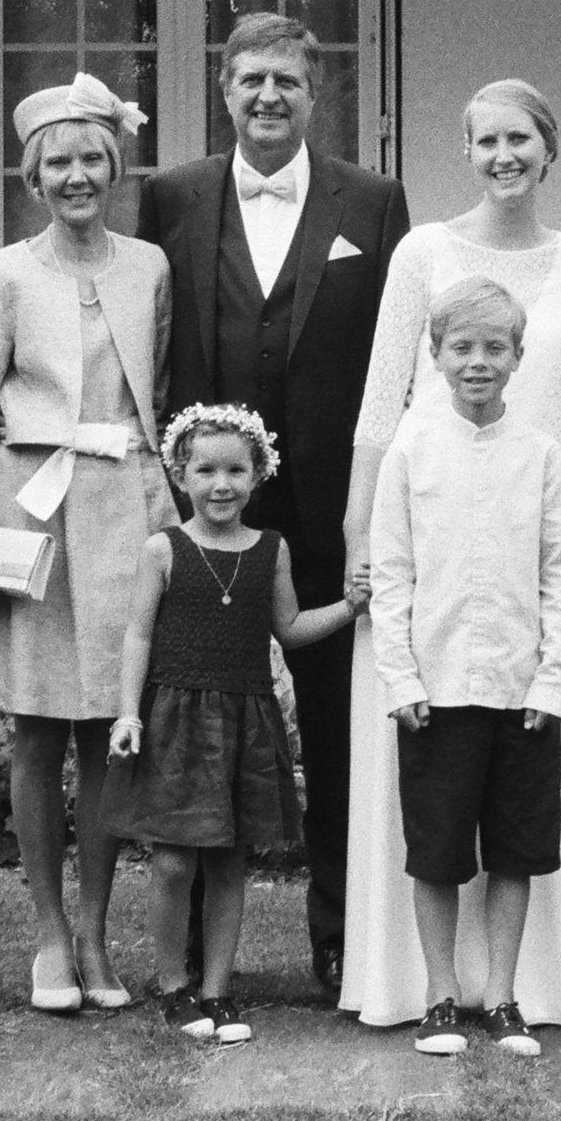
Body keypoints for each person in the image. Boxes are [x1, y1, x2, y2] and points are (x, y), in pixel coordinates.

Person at [342, 80, 561, 1030]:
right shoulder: (424, 250)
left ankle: (540, 979)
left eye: (520, 139)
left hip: (530, 515)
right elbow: (382, 394)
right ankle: (425, 983)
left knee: (527, 775)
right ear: (465, 149)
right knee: (431, 788)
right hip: (427, 528)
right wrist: (361, 533)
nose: (503, 156)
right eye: (486, 141)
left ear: (548, 148)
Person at [138, 13, 410, 991]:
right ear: (223, 88)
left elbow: (393, 356)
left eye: (286, 83)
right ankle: (206, 957)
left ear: (314, 92)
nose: (267, 97)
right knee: (205, 713)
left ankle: (339, 936)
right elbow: (155, 335)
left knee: (336, 723)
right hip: (210, 510)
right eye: (250, 80)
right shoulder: (169, 196)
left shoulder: (373, 204)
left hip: (331, 504)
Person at [0, 72, 175, 1012]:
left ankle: (94, 928)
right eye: (58, 164)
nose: (77, 176)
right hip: (28, 510)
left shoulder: (149, 265)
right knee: (39, 729)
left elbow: (160, 396)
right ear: (32, 178)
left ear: (115, 169)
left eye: (93, 159)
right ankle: (46, 935)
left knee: (111, 732)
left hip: (126, 505)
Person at [370, 278, 561, 1058]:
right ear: (435, 355)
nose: (478, 361)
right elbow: (392, 575)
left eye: (496, 348)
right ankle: (440, 994)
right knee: (437, 851)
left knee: (515, 851)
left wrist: (552, 679)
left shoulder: (540, 453)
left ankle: (501, 995)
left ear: (520, 357)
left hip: (521, 689)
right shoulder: (411, 452)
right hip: (435, 688)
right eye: (461, 347)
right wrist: (401, 679)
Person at [106, 404, 368, 1046]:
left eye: (235, 470)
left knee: (228, 861)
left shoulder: (270, 551)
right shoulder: (164, 549)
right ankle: (173, 985)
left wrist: (352, 606)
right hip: (174, 720)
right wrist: (127, 712)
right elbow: (138, 631)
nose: (221, 484)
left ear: (257, 475)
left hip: (244, 719)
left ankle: (219, 989)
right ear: (180, 474)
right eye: (206, 470)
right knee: (172, 863)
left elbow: (291, 629)